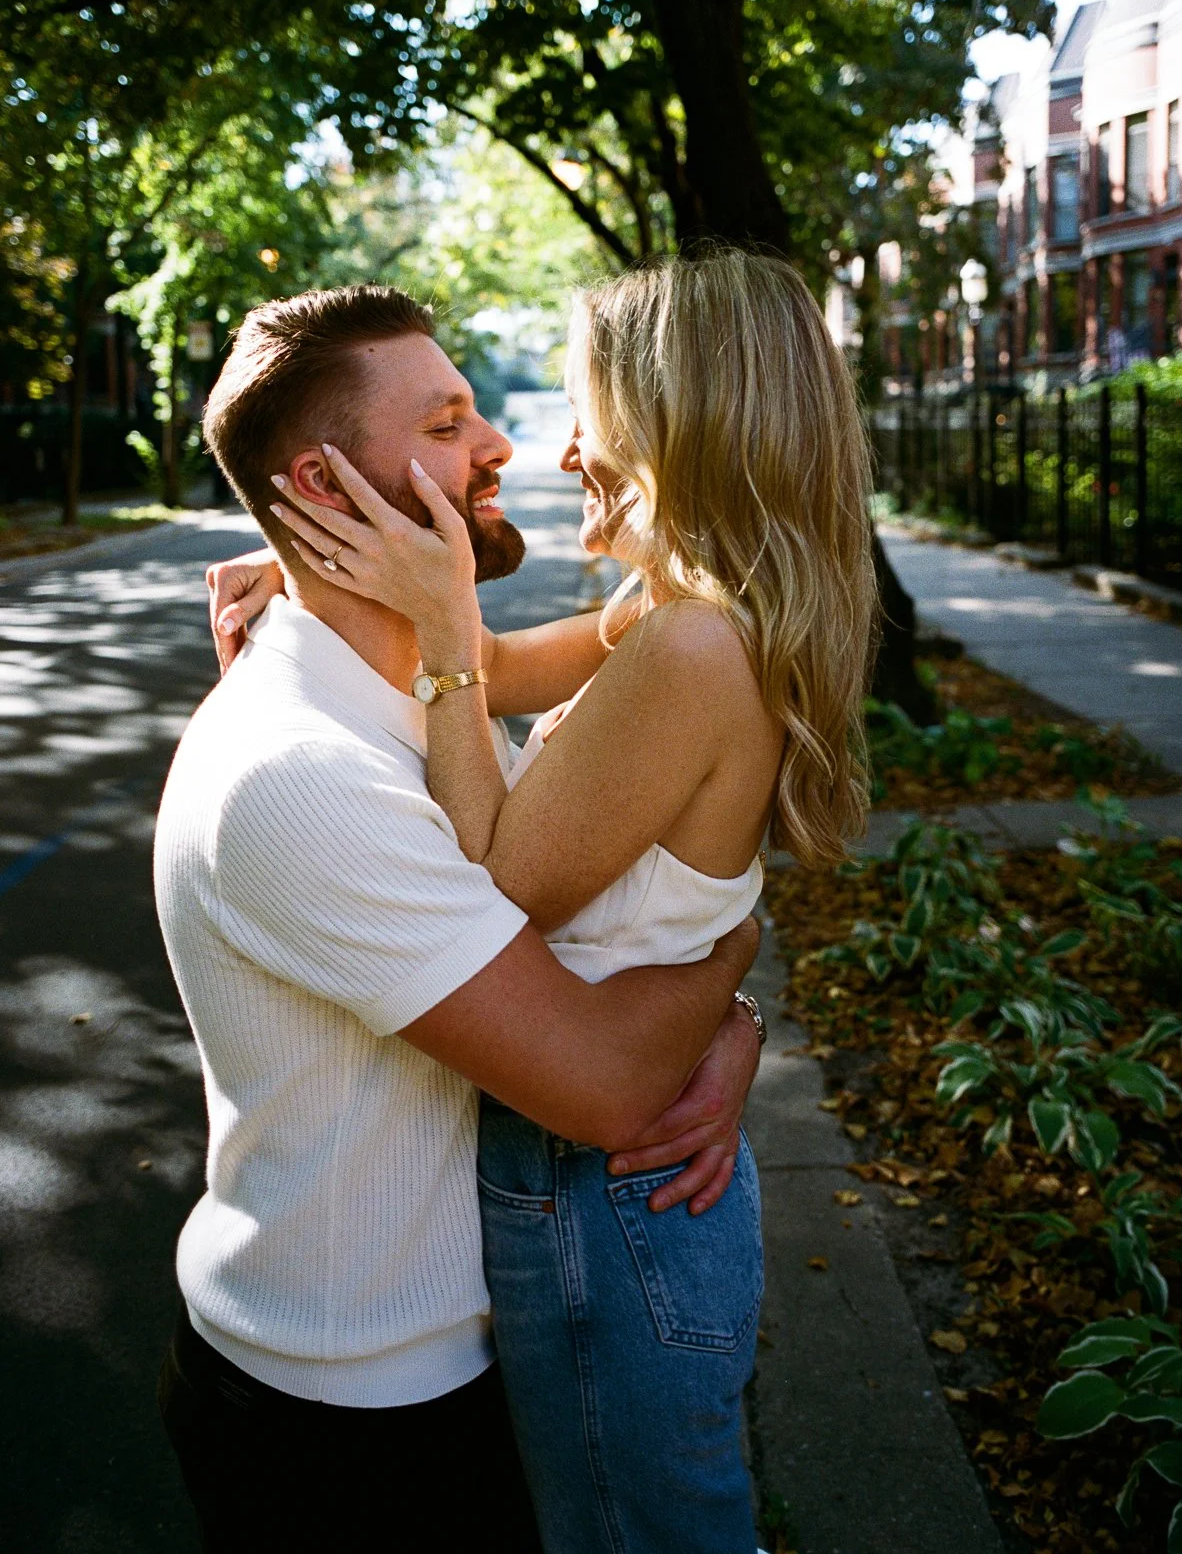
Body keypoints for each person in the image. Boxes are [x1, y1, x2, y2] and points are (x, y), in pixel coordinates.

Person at [216, 251, 877, 1552]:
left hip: (606, 1193)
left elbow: (492, 886)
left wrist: (446, 635)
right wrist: (318, 565)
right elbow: (516, 672)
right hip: (617, 1177)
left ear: (683, 424)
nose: (561, 446)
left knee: (637, 1534)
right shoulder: (679, 614)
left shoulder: (694, 647)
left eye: (595, 412)